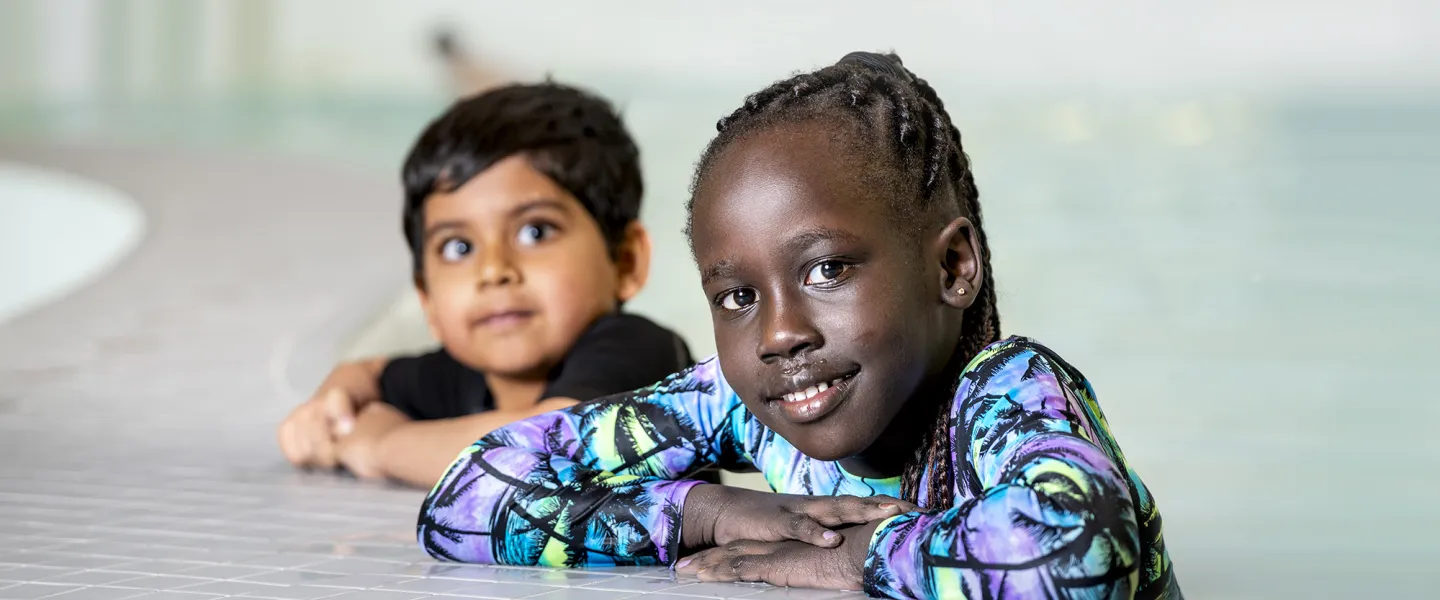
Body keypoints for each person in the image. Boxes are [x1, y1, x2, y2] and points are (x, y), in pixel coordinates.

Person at [415, 52, 1179, 599]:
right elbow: (465, 496)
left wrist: (855, 557)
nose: (779, 334)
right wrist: (708, 513)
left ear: (951, 269)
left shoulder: (1006, 392)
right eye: (738, 296)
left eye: (827, 270)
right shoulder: (744, 403)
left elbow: (1079, 557)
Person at [276, 82, 693, 489]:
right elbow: (366, 373)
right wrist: (330, 412)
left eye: (535, 231)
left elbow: (546, 446)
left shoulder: (640, 355)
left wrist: (383, 445)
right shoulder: (465, 376)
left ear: (625, 261)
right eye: (459, 247)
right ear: (428, 301)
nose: (493, 270)